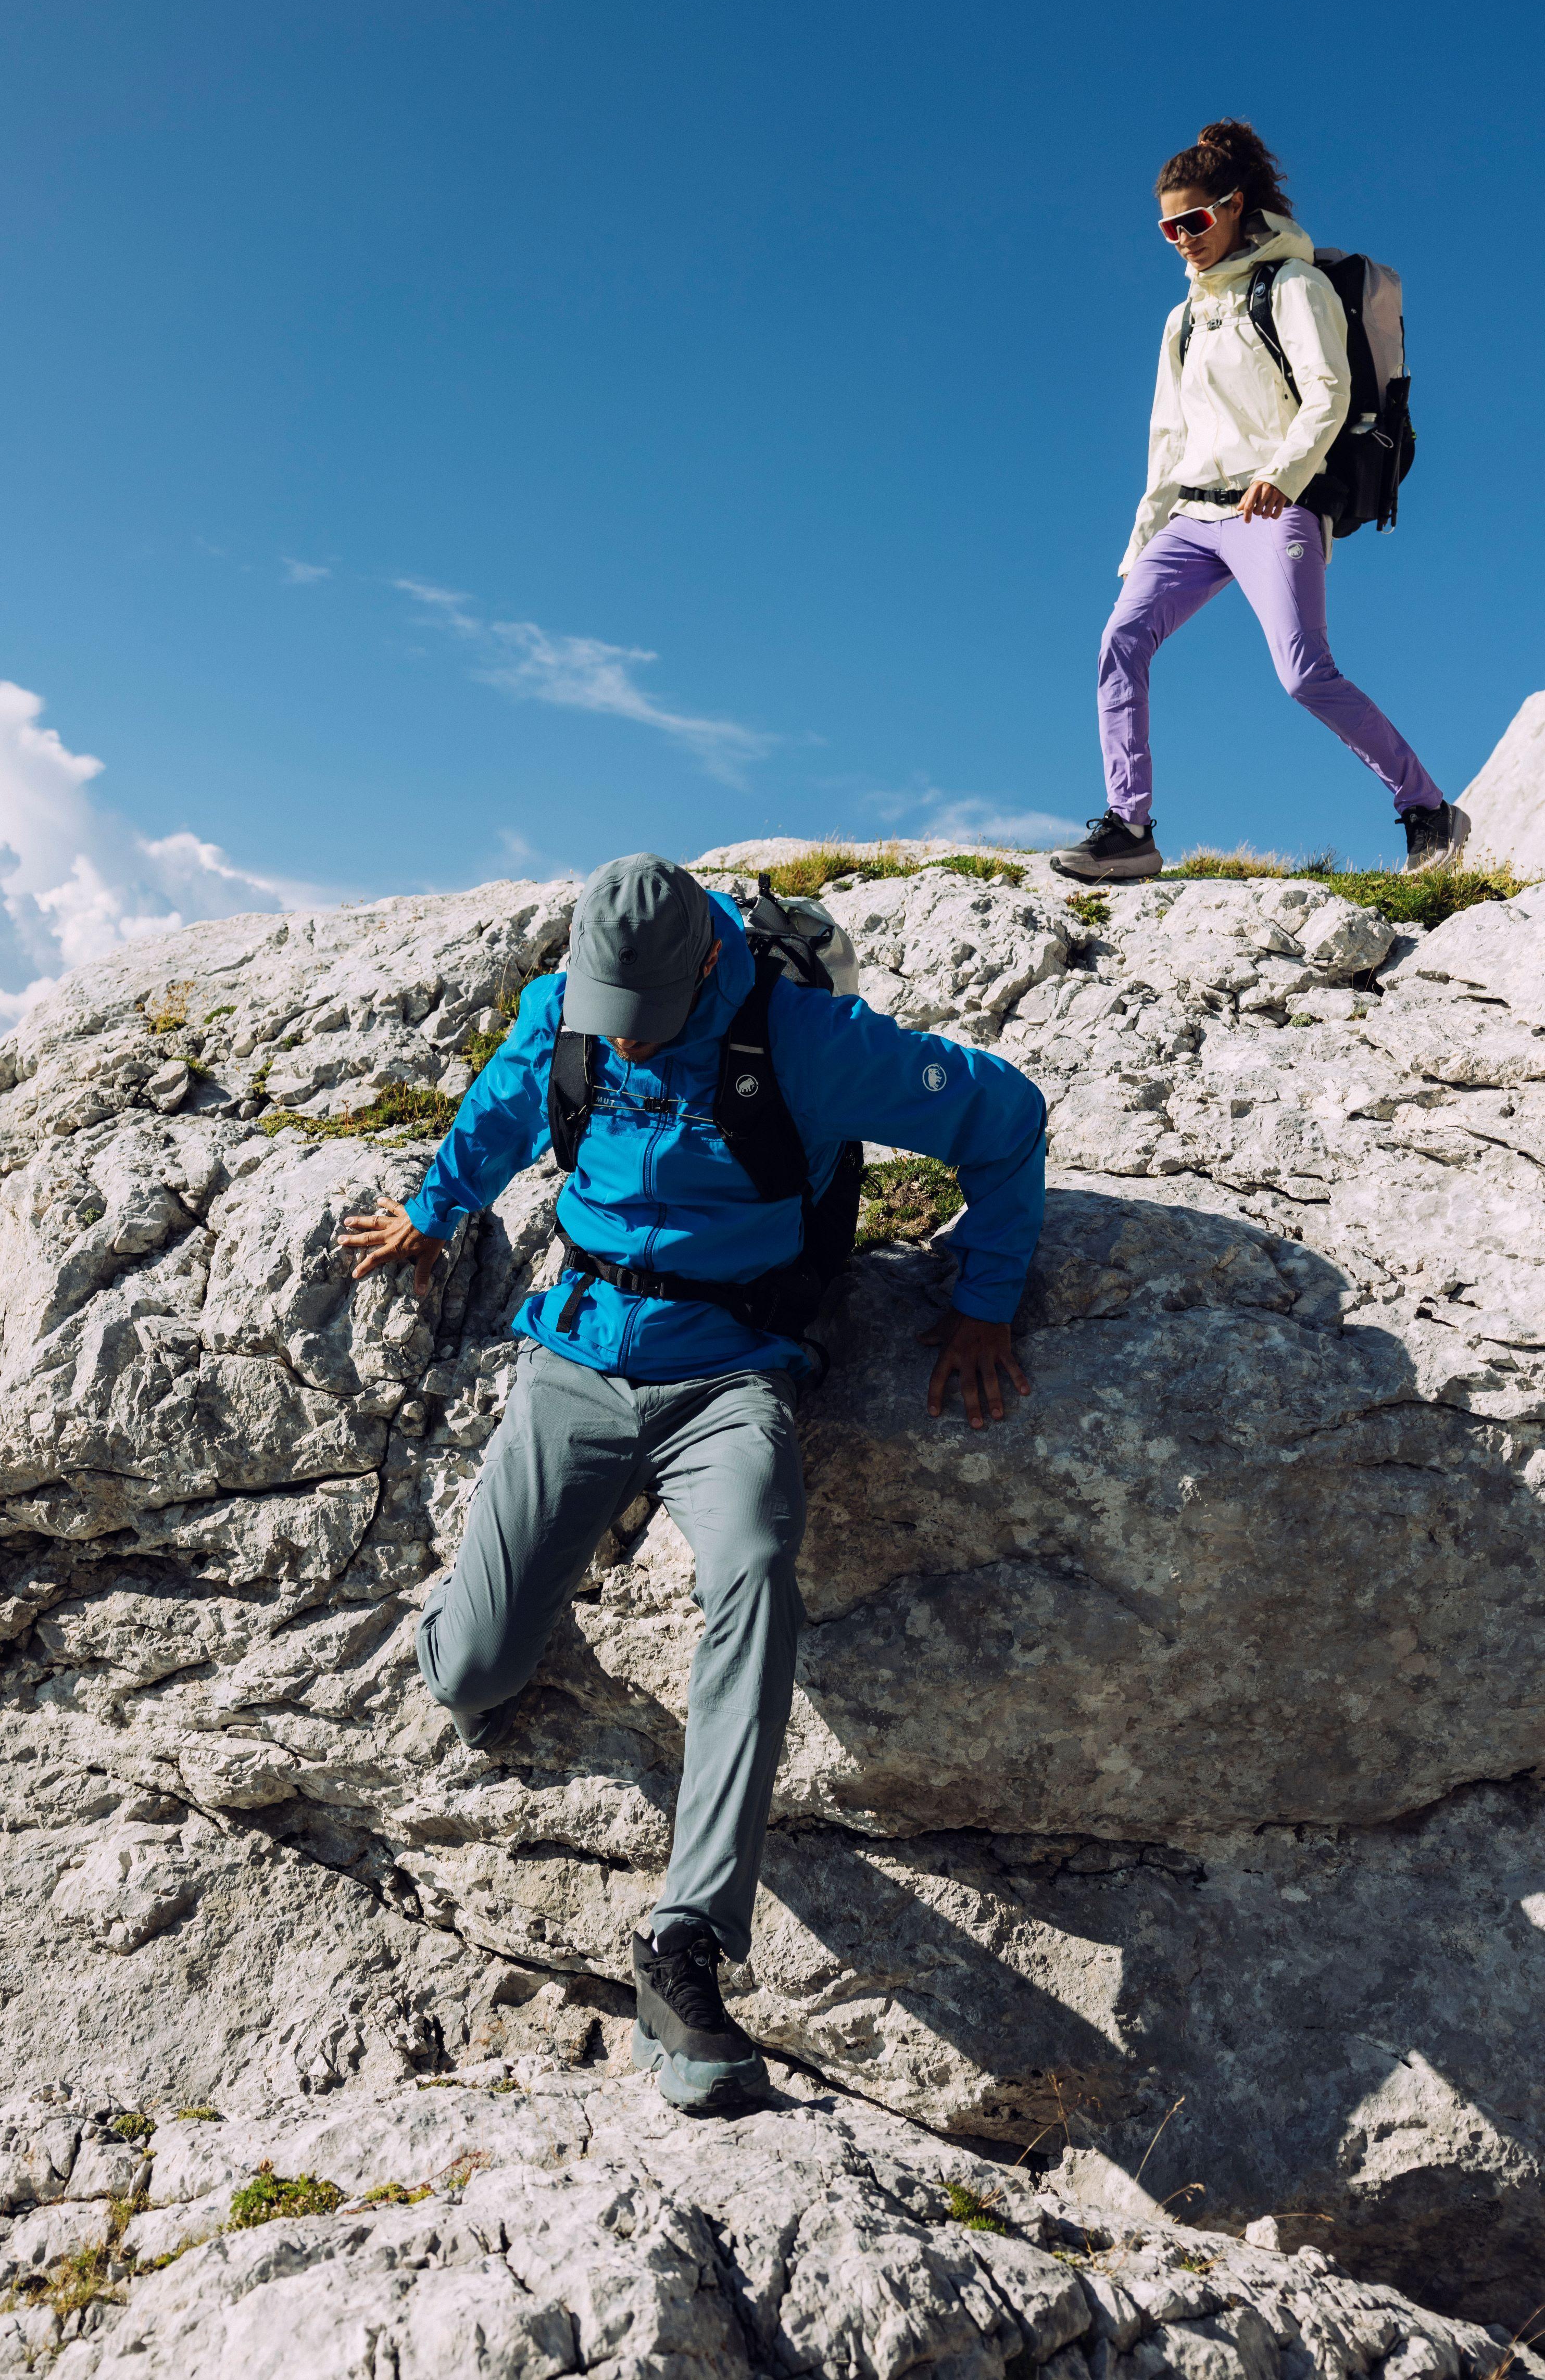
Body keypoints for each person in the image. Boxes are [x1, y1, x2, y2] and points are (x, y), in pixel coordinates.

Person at [339, 853, 1047, 2114]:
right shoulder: (571, 1007)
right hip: (582, 1352)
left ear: (709, 962)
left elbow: (1005, 1116)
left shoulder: (809, 1039)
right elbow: (506, 1105)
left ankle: (687, 1943)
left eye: (644, 1018)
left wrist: (984, 1304)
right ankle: (586, 1522)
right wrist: (433, 1209)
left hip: (732, 1373)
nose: (623, 1041)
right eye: (604, 1012)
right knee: (471, 1675)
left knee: (756, 1569)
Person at [1051, 118, 1466, 885]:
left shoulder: (1295, 285)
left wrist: (1285, 473)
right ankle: (1129, 830)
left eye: (1194, 220)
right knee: (1120, 645)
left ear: (1235, 206)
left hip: (1274, 509)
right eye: (1168, 227)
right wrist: (1143, 540)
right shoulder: (1182, 322)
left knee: (1305, 673)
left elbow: (1328, 394)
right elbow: (1166, 439)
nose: (1182, 238)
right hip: (1191, 518)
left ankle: (1427, 809)